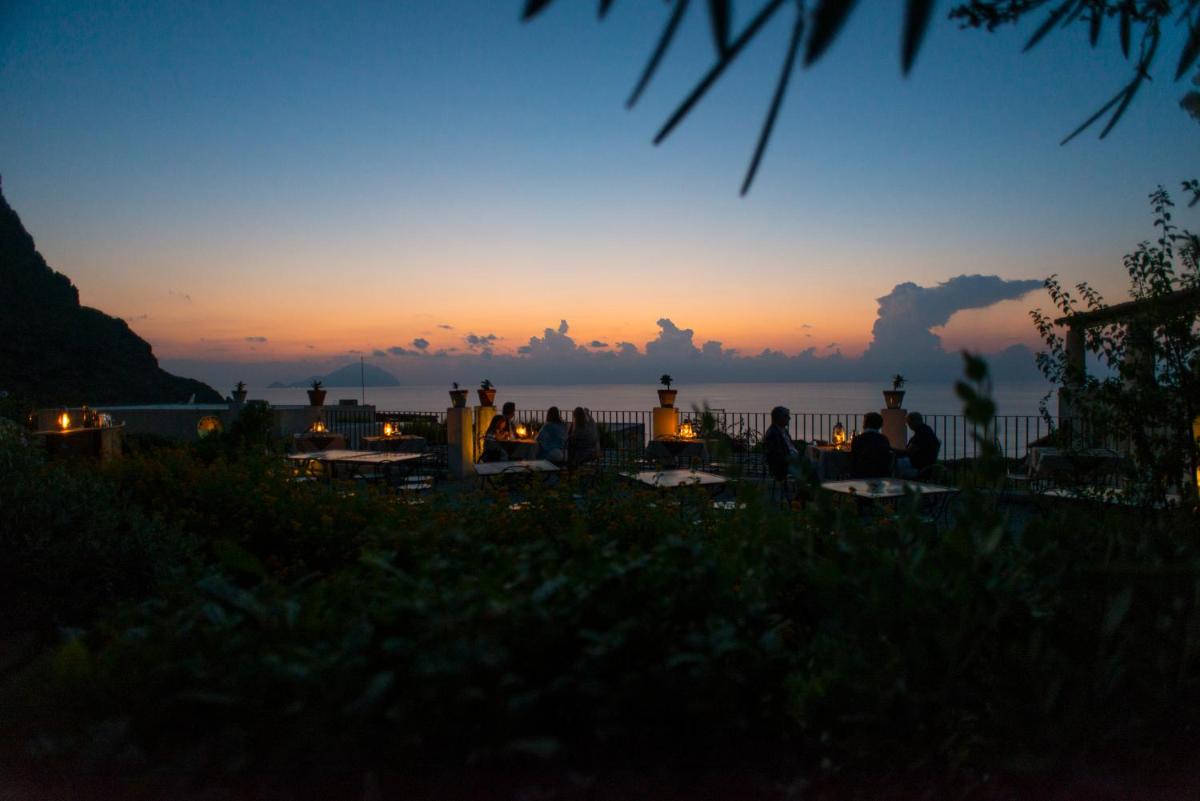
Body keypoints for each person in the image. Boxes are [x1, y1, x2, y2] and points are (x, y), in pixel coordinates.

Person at [895, 411, 941, 478]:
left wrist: (892, 449)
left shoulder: (922, 434)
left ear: (916, 421)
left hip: (919, 466)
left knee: (893, 464)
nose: (909, 425)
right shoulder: (926, 430)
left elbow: (908, 452)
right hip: (921, 464)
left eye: (909, 422)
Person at [850, 412, 893, 479]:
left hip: (861, 474)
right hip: (880, 474)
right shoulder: (883, 439)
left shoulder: (857, 439)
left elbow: (853, 459)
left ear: (865, 424)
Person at [762, 406, 798, 483]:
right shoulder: (773, 434)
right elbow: (777, 455)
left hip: (792, 462)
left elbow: (789, 447)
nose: (789, 418)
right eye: (786, 416)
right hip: (784, 467)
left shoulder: (783, 430)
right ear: (779, 418)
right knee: (817, 467)